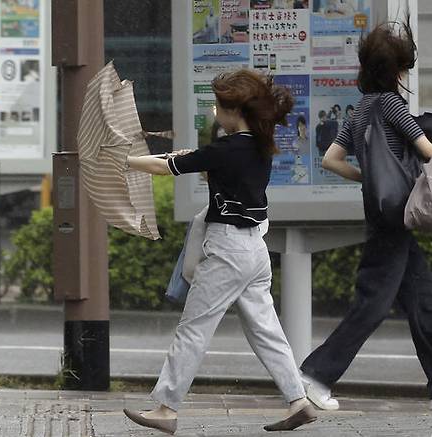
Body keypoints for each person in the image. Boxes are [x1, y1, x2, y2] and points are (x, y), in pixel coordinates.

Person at [299, 17, 432, 412]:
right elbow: (427, 150)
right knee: (372, 302)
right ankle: (315, 375)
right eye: (404, 66)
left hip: (384, 214)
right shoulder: (391, 105)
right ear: (397, 71)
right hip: (395, 216)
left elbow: (331, 159)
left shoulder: (360, 109)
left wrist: (366, 177)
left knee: (423, 301)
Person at [122, 69, 317, 435]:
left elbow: (166, 168)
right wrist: (193, 156)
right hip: (255, 249)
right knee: (266, 330)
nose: (214, 112)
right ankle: (299, 400)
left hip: (228, 250)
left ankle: (165, 408)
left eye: (217, 106)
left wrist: (124, 161)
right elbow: (195, 160)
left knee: (193, 329)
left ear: (232, 112)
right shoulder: (260, 144)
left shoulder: (226, 150)